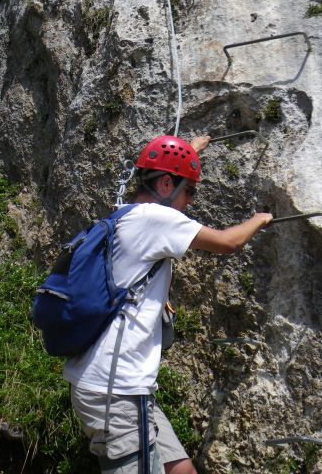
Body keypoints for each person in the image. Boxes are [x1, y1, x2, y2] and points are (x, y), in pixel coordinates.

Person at [63, 134, 272, 473]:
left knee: (181, 471)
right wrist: (260, 219)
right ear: (165, 183)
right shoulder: (156, 220)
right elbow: (228, 243)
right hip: (117, 392)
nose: (189, 201)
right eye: (189, 191)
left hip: (119, 386)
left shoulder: (127, 215)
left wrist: (191, 149)